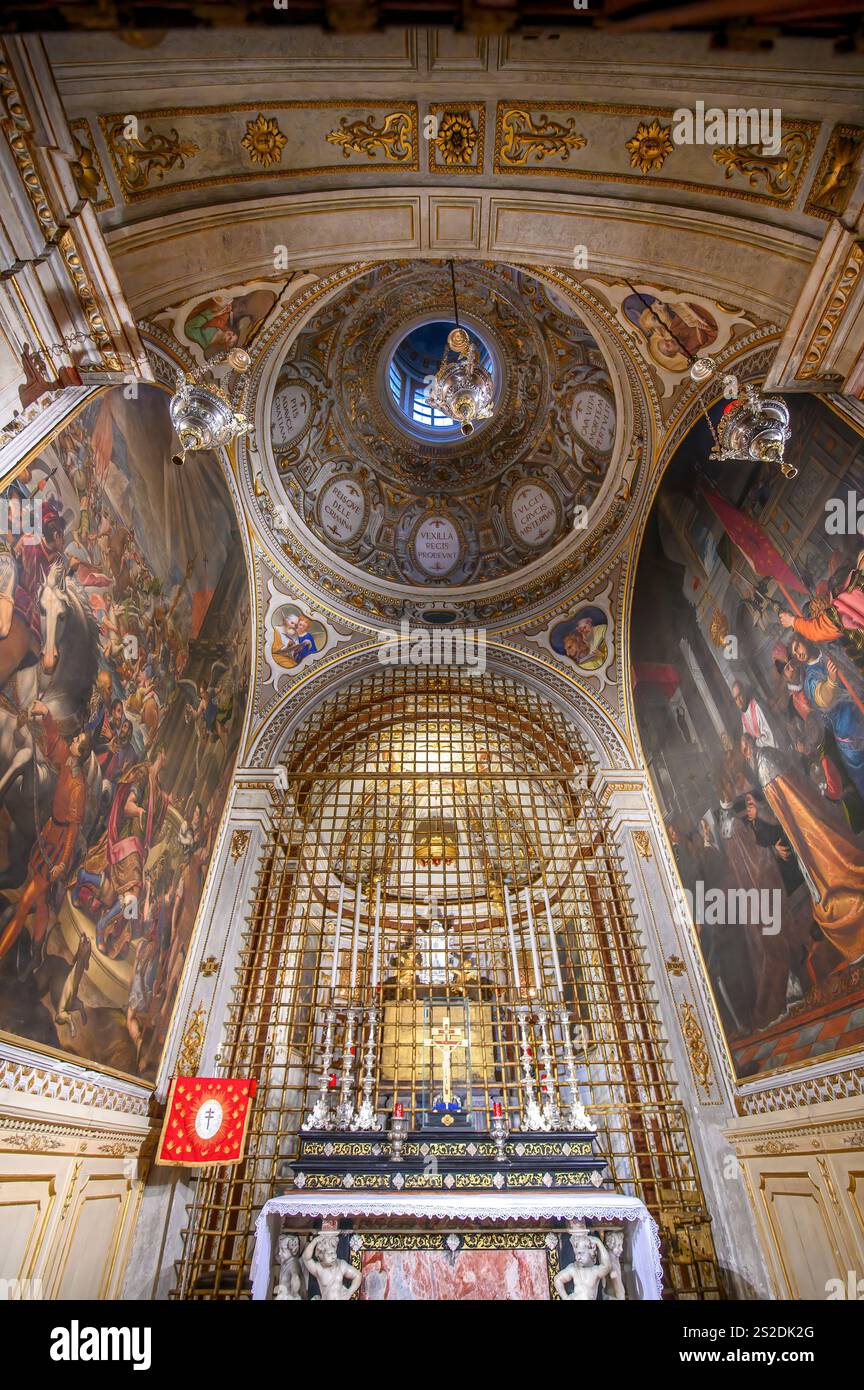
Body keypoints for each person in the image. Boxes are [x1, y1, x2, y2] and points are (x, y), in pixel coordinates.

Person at [0, 701, 90, 973]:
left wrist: (62, 862)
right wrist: (47, 715)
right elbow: (55, 741)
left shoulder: (78, 787)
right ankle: (37, 950)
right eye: (75, 738)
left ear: (81, 752)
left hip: (58, 845)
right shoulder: (67, 764)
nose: (73, 740)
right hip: (49, 834)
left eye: (77, 741)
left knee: (25, 902)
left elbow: (73, 831)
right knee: (39, 901)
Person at [301, 1233, 360, 1301]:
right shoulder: (318, 1268)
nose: (334, 1257)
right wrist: (315, 1240)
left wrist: (349, 1292)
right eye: (330, 1254)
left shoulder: (341, 1265)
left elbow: (358, 1275)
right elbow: (306, 1258)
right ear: (321, 1255)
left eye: (334, 1253)